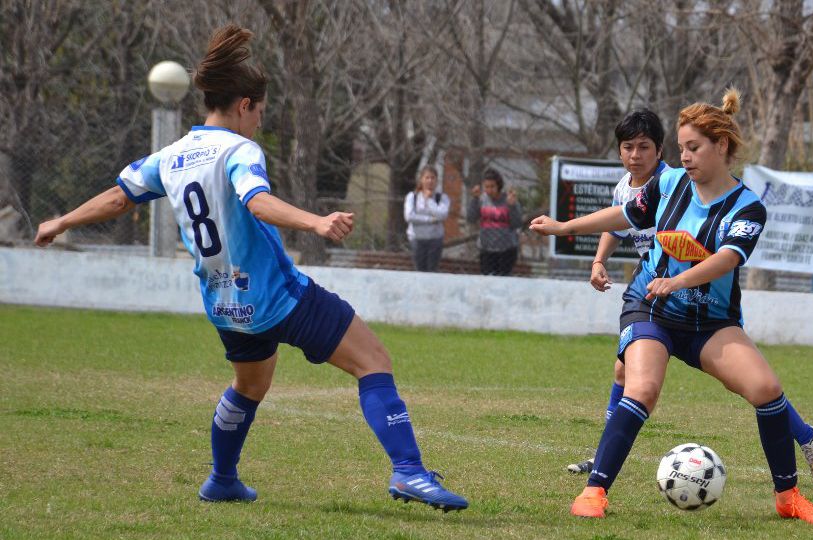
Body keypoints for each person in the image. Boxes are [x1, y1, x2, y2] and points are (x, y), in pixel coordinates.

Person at [33, 25, 468, 512]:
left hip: (224, 304)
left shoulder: (172, 156)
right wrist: (317, 222)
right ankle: (409, 471)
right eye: (259, 111)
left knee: (250, 385)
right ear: (243, 105)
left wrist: (62, 220)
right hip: (276, 296)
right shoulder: (239, 150)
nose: (260, 122)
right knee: (374, 361)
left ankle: (222, 479)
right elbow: (257, 201)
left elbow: (119, 196)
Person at [531, 89, 813, 524]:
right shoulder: (668, 183)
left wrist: (678, 280)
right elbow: (623, 215)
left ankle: (787, 498)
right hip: (650, 307)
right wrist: (564, 227)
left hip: (709, 320)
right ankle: (594, 491)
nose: (685, 157)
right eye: (681, 149)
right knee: (642, 390)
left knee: (766, 390)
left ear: (722, 146)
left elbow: (727, 258)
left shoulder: (748, 206)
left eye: (694, 148)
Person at [467, 168, 521, 275]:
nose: (489, 190)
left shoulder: (508, 199)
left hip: (506, 249)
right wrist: (474, 200)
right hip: (486, 248)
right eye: (486, 187)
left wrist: (512, 206)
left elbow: (517, 223)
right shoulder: (481, 200)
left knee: (503, 282)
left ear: (499, 185)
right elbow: (471, 218)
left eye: (492, 186)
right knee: (487, 281)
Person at [404, 165, 450, 272]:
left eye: (433, 178)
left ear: (436, 180)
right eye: (427, 178)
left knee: (432, 271)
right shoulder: (413, 197)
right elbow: (409, 216)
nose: (430, 181)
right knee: (420, 270)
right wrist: (430, 220)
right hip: (417, 239)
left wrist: (429, 201)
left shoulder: (442, 198)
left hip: (435, 240)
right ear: (421, 179)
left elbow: (442, 214)